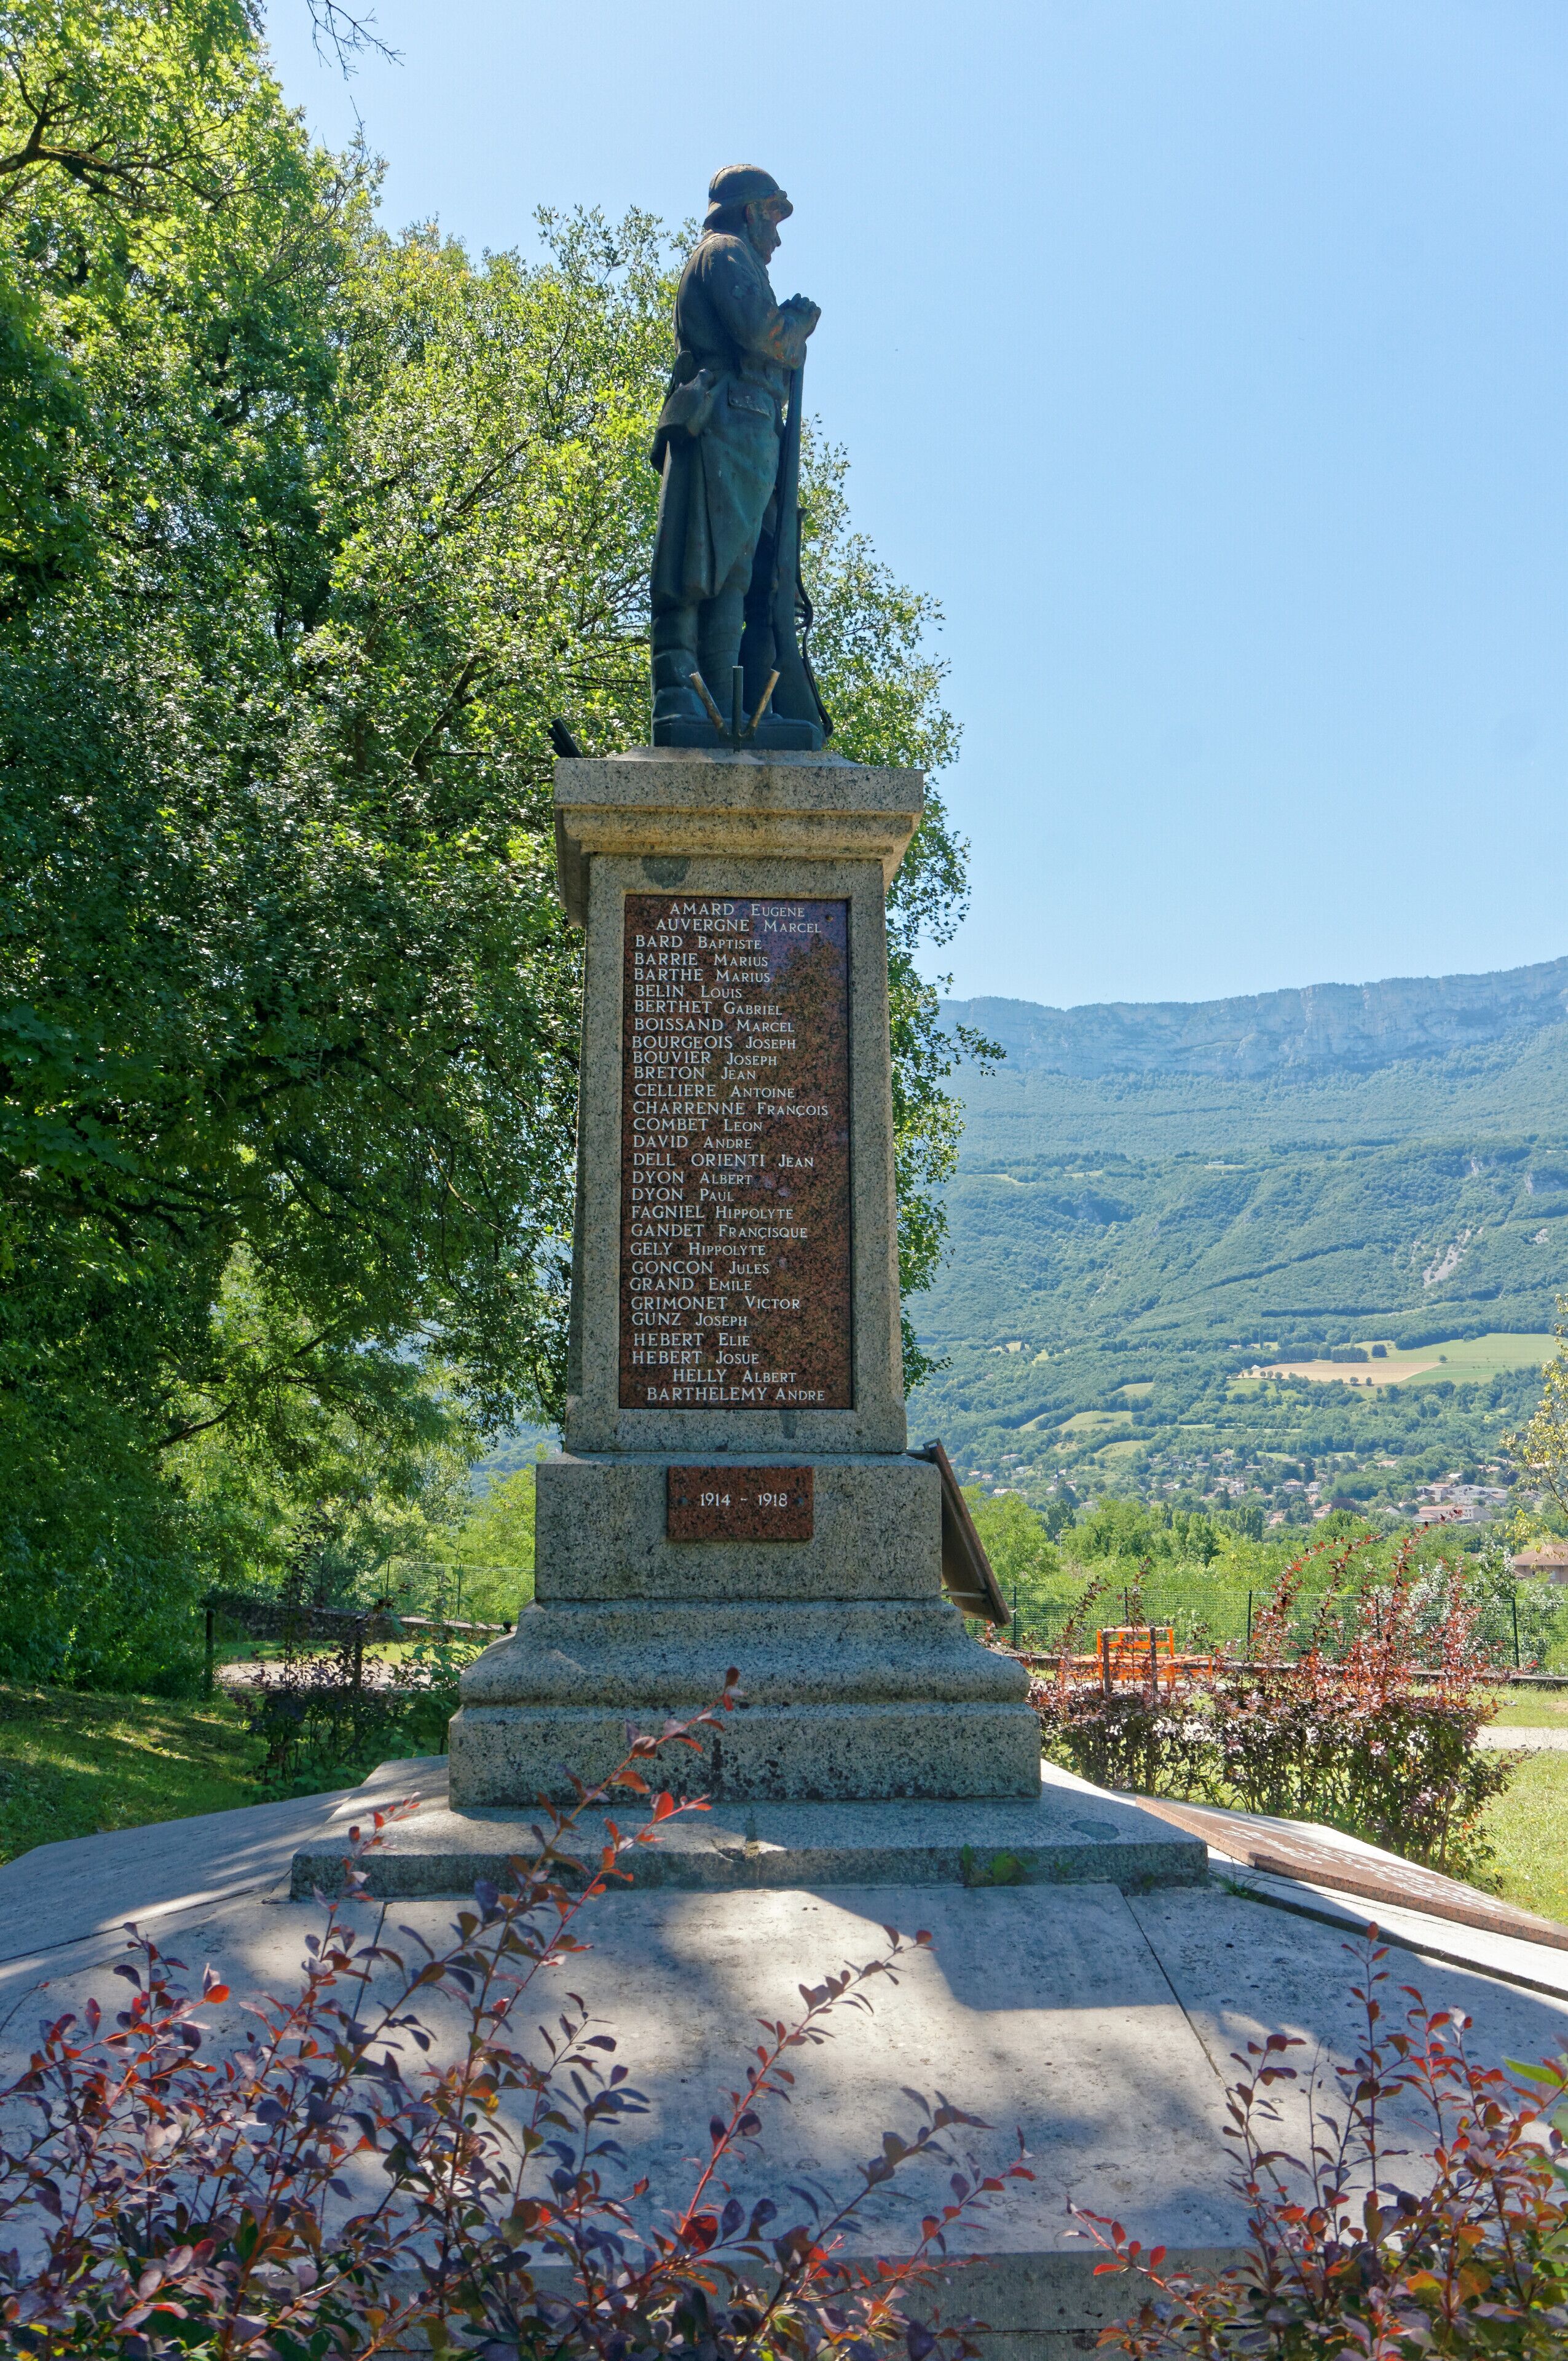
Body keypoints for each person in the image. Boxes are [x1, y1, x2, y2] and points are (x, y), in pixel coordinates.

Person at [649, 165, 825, 746]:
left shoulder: (734, 256)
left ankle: (723, 702)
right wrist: (796, 325)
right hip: (726, 418)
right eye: (772, 218)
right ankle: (687, 693)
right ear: (749, 213)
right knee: (705, 564)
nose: (776, 238)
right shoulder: (725, 253)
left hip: (746, 424)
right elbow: (761, 333)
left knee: (735, 571)